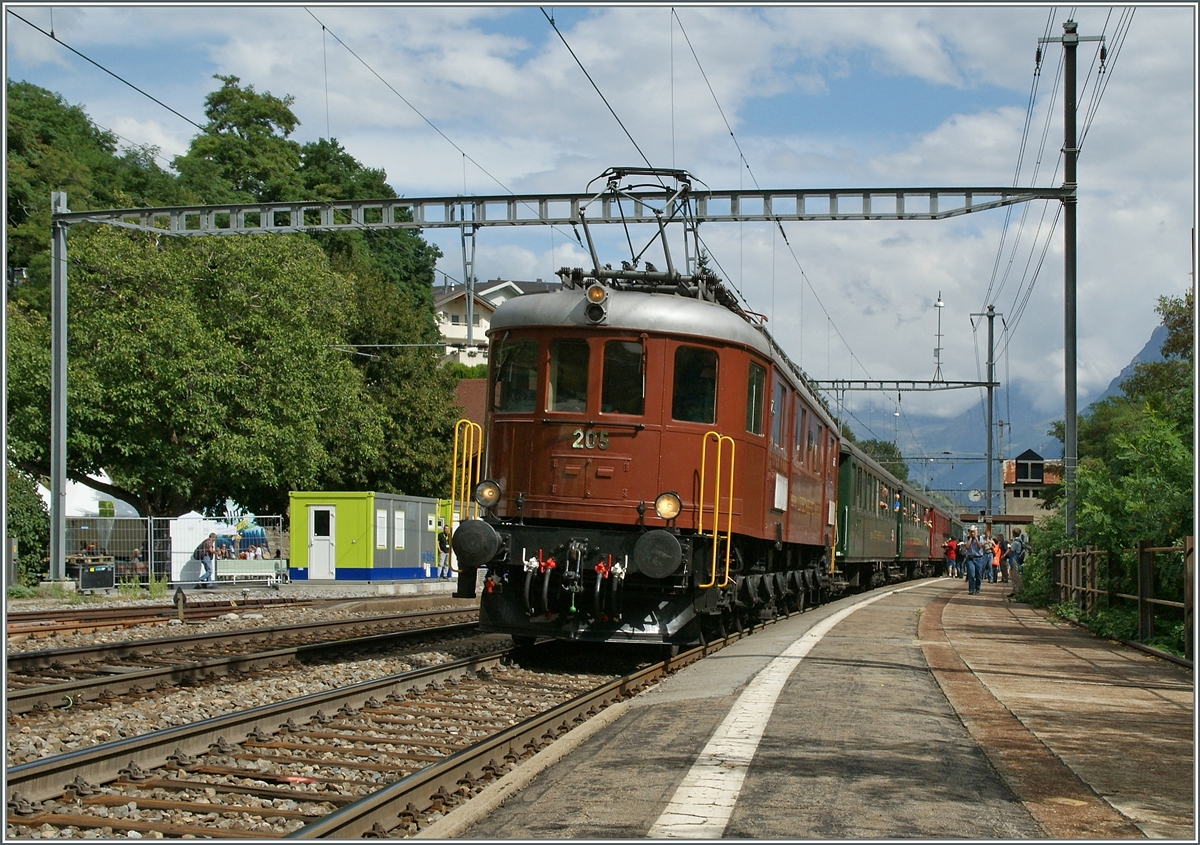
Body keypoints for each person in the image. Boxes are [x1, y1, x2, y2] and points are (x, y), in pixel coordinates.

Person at [962, 527, 986, 595]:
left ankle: (977, 588)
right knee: (971, 574)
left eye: (974, 532)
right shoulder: (967, 538)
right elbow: (967, 546)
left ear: (976, 532)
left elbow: (980, 546)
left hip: (979, 558)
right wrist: (970, 539)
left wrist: (975, 539)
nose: (972, 533)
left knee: (978, 575)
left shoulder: (979, 537)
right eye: (971, 532)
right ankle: (971, 589)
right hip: (970, 558)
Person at [1007, 530, 1025, 598]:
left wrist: (1009, 548)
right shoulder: (1020, 541)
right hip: (1018, 559)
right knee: (1017, 575)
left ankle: (1016, 591)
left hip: (1015, 559)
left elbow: (1011, 551)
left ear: (1013, 534)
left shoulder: (1015, 542)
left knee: (1015, 575)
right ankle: (1017, 590)